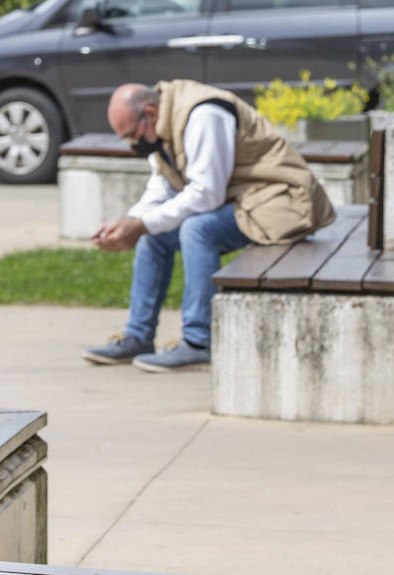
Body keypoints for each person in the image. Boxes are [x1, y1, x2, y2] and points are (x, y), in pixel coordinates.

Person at [84, 80, 335, 372]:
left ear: (149, 114)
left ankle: (199, 342)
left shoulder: (204, 115)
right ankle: (138, 336)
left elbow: (207, 193)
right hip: (246, 201)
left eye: (131, 135)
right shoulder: (163, 123)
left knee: (197, 229)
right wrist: (130, 222)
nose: (131, 145)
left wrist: (141, 224)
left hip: (285, 201)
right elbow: (162, 185)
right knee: (153, 235)